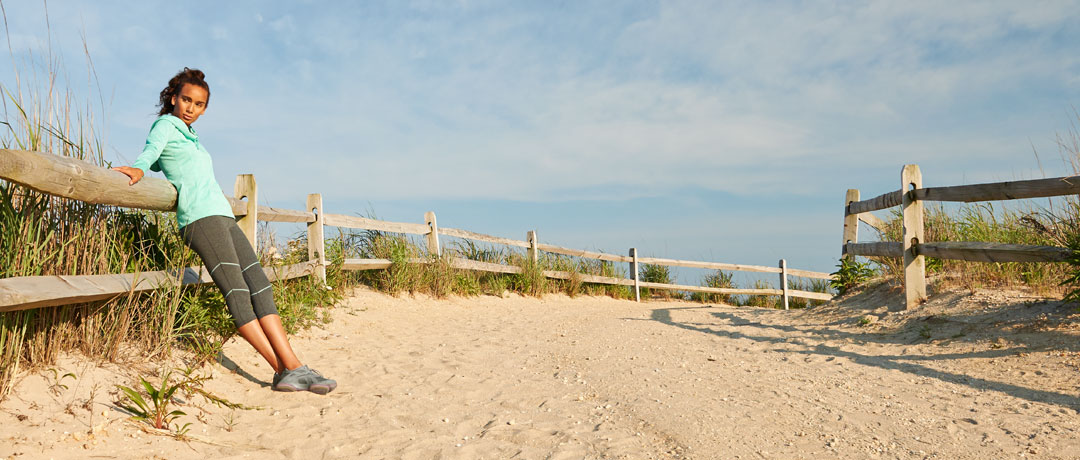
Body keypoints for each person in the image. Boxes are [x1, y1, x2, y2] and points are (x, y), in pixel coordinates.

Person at [112, 67, 336, 395]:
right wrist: (139, 168)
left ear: (204, 108)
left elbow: (166, 159)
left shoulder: (189, 136)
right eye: (186, 100)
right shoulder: (165, 125)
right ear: (173, 98)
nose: (191, 108)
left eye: (199, 104)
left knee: (260, 286)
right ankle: (283, 369)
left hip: (222, 216)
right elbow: (151, 151)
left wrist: (160, 163)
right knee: (238, 293)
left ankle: (293, 367)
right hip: (201, 220)